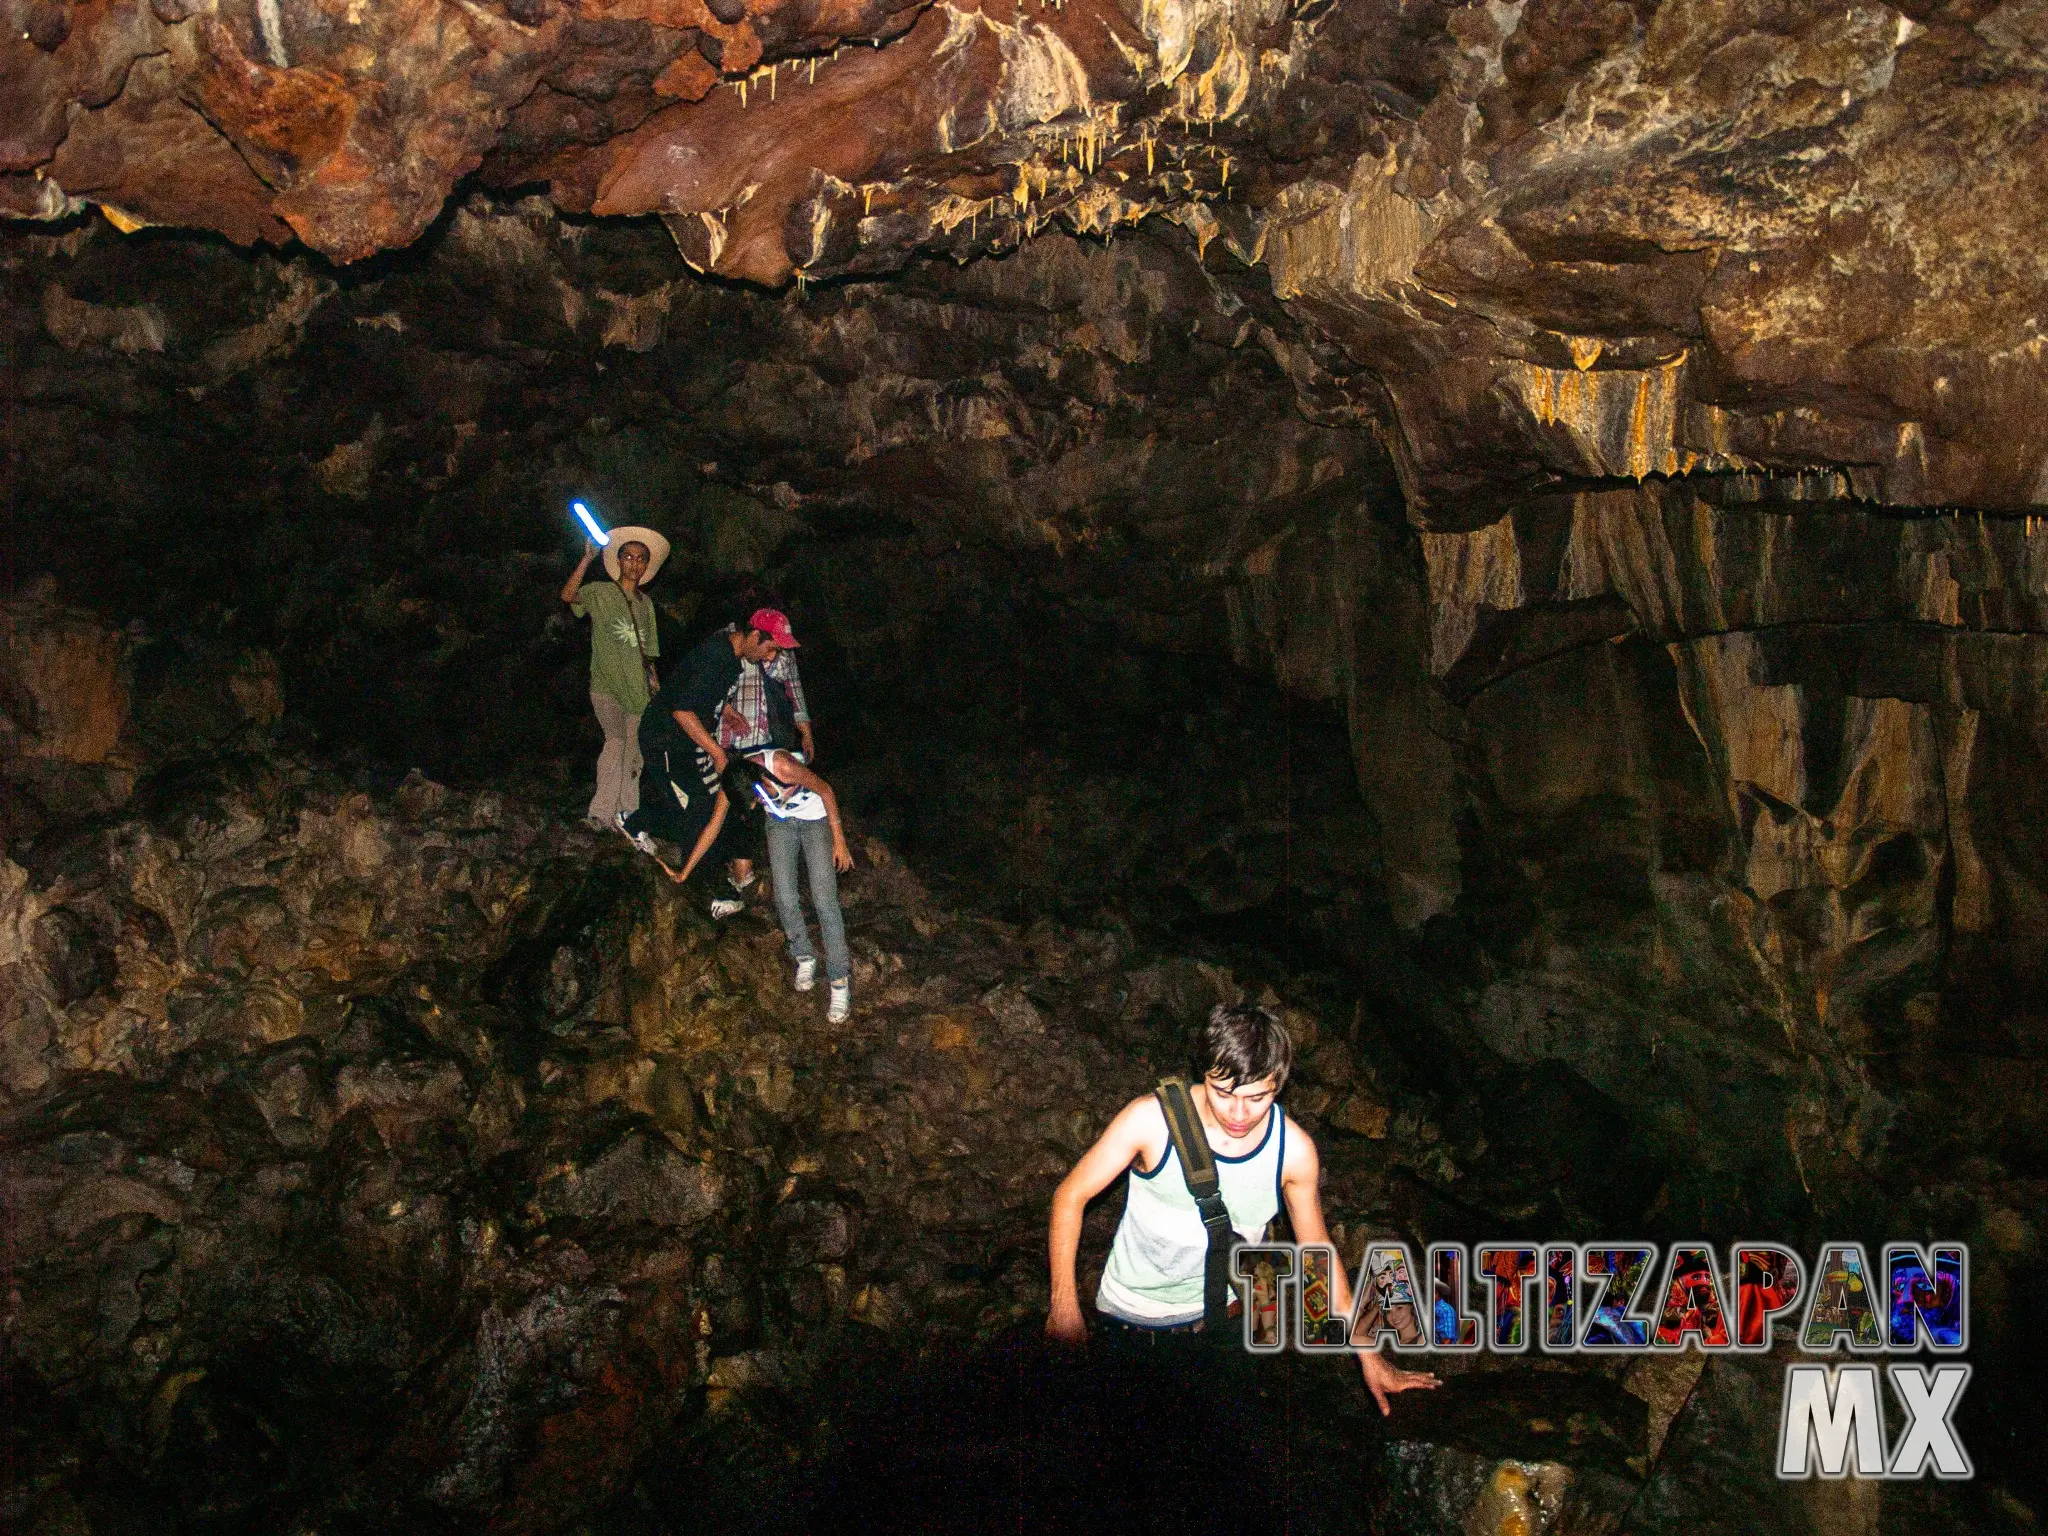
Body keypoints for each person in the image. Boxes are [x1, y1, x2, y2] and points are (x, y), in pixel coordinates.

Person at [1045, 1003, 1441, 1415]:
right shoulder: (1150, 1121)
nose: (1238, 1114)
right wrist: (1064, 1305)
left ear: (1278, 1084)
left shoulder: (1294, 1152)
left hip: (1224, 1327)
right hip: (1130, 1327)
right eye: (1223, 1093)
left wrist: (1370, 1359)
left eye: (1256, 1098)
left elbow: (1318, 1252)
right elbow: (1070, 1195)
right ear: (1205, 1074)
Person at [618, 609, 797, 918]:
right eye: (771, 648)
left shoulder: (731, 655)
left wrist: (724, 710)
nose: (771, 656)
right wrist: (716, 752)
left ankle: (636, 821)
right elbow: (681, 711)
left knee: (711, 803)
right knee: (697, 809)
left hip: (687, 742)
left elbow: (693, 688)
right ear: (755, 636)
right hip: (666, 740)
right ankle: (716, 886)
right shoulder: (718, 657)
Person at [562, 527, 669, 830]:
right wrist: (586, 560)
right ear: (619, 561)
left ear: (646, 566)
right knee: (615, 741)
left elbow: (649, 655)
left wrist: (656, 693)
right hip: (606, 685)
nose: (634, 564)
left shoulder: (646, 605)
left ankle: (627, 815)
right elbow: (568, 595)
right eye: (629, 557)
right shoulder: (600, 592)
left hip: (638, 691)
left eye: (641, 559)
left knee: (634, 752)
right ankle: (601, 812)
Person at [745, 745, 854, 1023]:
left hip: (816, 819)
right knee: (784, 895)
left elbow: (826, 790)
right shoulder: (740, 775)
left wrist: (839, 841)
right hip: (780, 824)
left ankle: (839, 980)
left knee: (824, 900)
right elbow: (717, 819)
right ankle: (804, 955)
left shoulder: (782, 766)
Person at [716, 612, 815, 897]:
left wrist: (805, 731)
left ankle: (751, 870)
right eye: (773, 644)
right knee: (739, 803)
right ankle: (738, 873)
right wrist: (725, 711)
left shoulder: (782, 652)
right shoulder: (732, 642)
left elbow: (795, 690)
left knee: (760, 804)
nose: (776, 650)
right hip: (734, 739)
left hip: (767, 737)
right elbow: (708, 688)